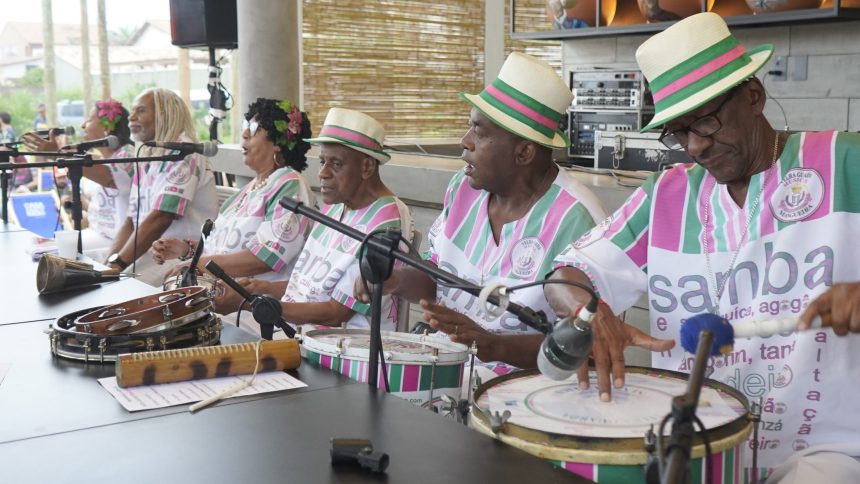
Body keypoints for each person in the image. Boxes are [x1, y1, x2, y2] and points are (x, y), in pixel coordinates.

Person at [544, 13, 860, 481]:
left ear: (754, 96)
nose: (695, 146)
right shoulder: (665, 196)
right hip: (693, 442)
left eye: (707, 121)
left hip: (823, 448)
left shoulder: (843, 162)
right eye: (679, 132)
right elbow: (563, 274)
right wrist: (590, 311)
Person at [356, 52, 607, 377]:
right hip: (444, 376)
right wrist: (393, 281)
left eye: (480, 132)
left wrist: (490, 344)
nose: (465, 142)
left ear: (524, 152)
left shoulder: (578, 218)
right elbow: (437, 280)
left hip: (521, 400)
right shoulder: (464, 188)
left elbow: (581, 348)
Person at [239, 107, 413, 332]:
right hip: (297, 333)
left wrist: (267, 308)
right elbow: (310, 287)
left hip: (339, 350)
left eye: (336, 164)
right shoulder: (336, 206)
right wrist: (263, 288)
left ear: (367, 166)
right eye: (322, 162)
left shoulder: (386, 221)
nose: (323, 173)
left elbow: (336, 313)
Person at [151, 98, 315, 313]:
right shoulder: (250, 189)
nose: (245, 135)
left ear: (278, 141)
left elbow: (265, 258)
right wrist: (187, 249)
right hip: (221, 303)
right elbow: (221, 246)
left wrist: (197, 266)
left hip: (255, 310)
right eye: (245, 128)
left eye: (254, 129)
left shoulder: (290, 186)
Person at [105, 88, 217, 286]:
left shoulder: (184, 153)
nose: (131, 117)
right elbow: (132, 221)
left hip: (180, 256)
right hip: (150, 252)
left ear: (165, 115)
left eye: (140, 110)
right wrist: (110, 262)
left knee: (117, 286)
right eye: (132, 111)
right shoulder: (149, 154)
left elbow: (161, 217)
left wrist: (119, 264)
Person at [22, 99, 135, 260]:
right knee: (38, 248)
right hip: (102, 235)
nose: (83, 125)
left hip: (119, 240)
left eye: (89, 119)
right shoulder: (105, 157)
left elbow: (110, 177)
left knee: (49, 256)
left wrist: (59, 153)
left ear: (106, 127)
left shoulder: (128, 155)